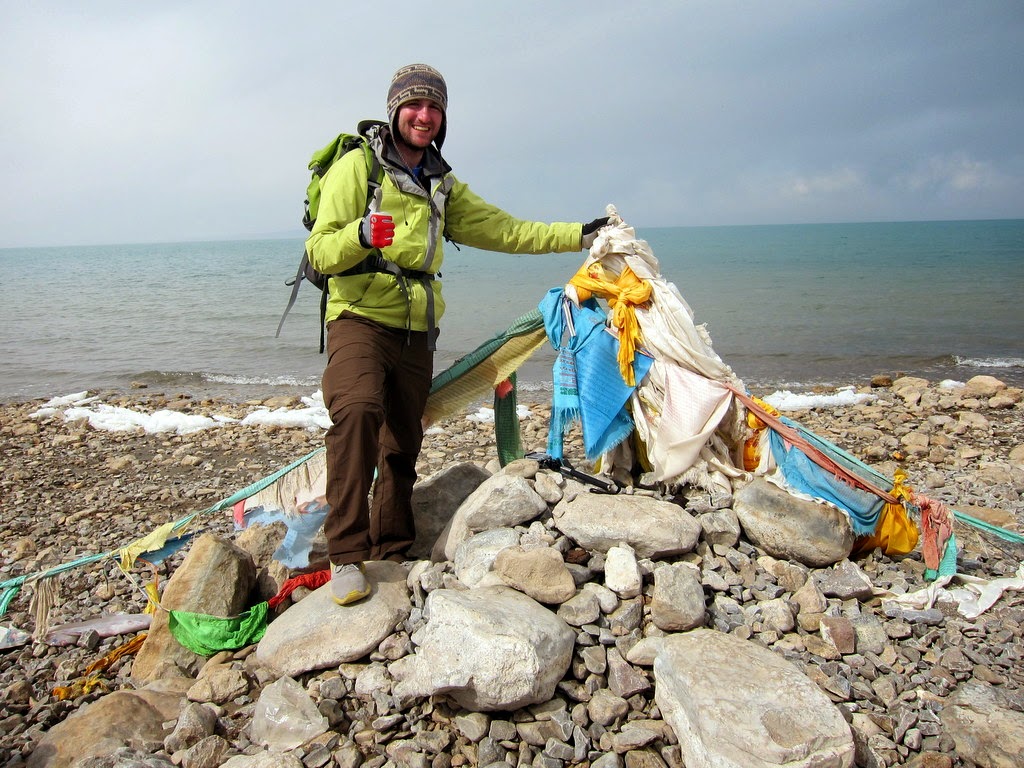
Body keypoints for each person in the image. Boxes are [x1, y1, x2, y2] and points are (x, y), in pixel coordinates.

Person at [306, 63, 608, 605]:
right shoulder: (357, 168)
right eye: (414, 105)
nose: (424, 116)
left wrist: (579, 236)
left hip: (417, 328)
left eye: (434, 107)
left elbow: (506, 229)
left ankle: (393, 550)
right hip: (358, 317)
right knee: (356, 413)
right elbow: (320, 251)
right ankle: (346, 557)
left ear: (443, 117)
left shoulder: (441, 184)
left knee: (402, 439)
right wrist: (360, 234)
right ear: (395, 109)